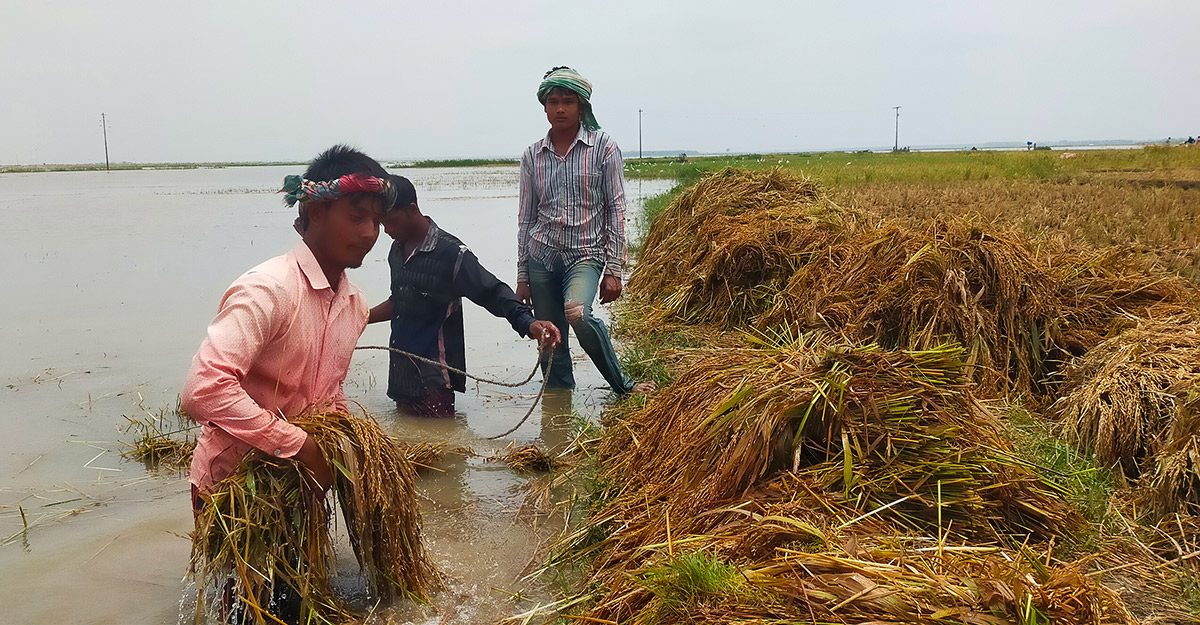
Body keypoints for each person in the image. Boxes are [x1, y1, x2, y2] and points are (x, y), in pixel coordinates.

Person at [181, 145, 394, 622]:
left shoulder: (355, 304)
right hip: (235, 487)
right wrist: (298, 445)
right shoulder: (269, 288)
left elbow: (327, 391)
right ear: (315, 211)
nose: (369, 234)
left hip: (301, 486)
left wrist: (343, 448)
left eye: (377, 222)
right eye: (357, 216)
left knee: (296, 598)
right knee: (245, 609)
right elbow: (203, 387)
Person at [368, 174, 561, 418]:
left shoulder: (451, 254)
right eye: (383, 224)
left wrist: (529, 323)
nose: (388, 230)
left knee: (442, 446)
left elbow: (492, 291)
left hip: (434, 382)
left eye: (392, 222)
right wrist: (360, 317)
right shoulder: (396, 251)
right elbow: (400, 302)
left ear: (412, 209)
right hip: (401, 377)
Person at [515, 66, 653, 396]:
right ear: (544, 107)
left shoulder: (604, 148)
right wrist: (522, 275)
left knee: (576, 312)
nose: (560, 108)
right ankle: (558, 413)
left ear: (582, 106)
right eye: (553, 101)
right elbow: (525, 218)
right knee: (549, 337)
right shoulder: (532, 156)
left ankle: (623, 385)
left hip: (586, 256)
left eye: (568, 101)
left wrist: (614, 271)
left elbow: (617, 209)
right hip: (542, 258)